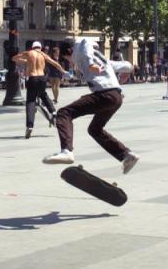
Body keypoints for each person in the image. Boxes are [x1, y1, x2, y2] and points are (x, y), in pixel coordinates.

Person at [42, 39, 139, 174]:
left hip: (105, 95)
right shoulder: (99, 57)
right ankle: (126, 155)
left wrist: (91, 64)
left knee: (64, 113)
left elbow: (85, 41)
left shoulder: (81, 51)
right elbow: (124, 65)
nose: (70, 61)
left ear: (69, 51)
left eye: (67, 58)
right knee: (95, 129)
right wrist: (129, 70)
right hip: (116, 97)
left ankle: (66, 151)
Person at [13, 41, 66, 139]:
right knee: (43, 95)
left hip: (32, 78)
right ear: (40, 48)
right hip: (42, 78)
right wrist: (63, 71)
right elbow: (55, 64)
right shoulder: (43, 54)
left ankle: (29, 126)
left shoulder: (29, 53)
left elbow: (15, 58)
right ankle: (53, 112)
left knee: (30, 101)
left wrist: (26, 61)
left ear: (33, 47)